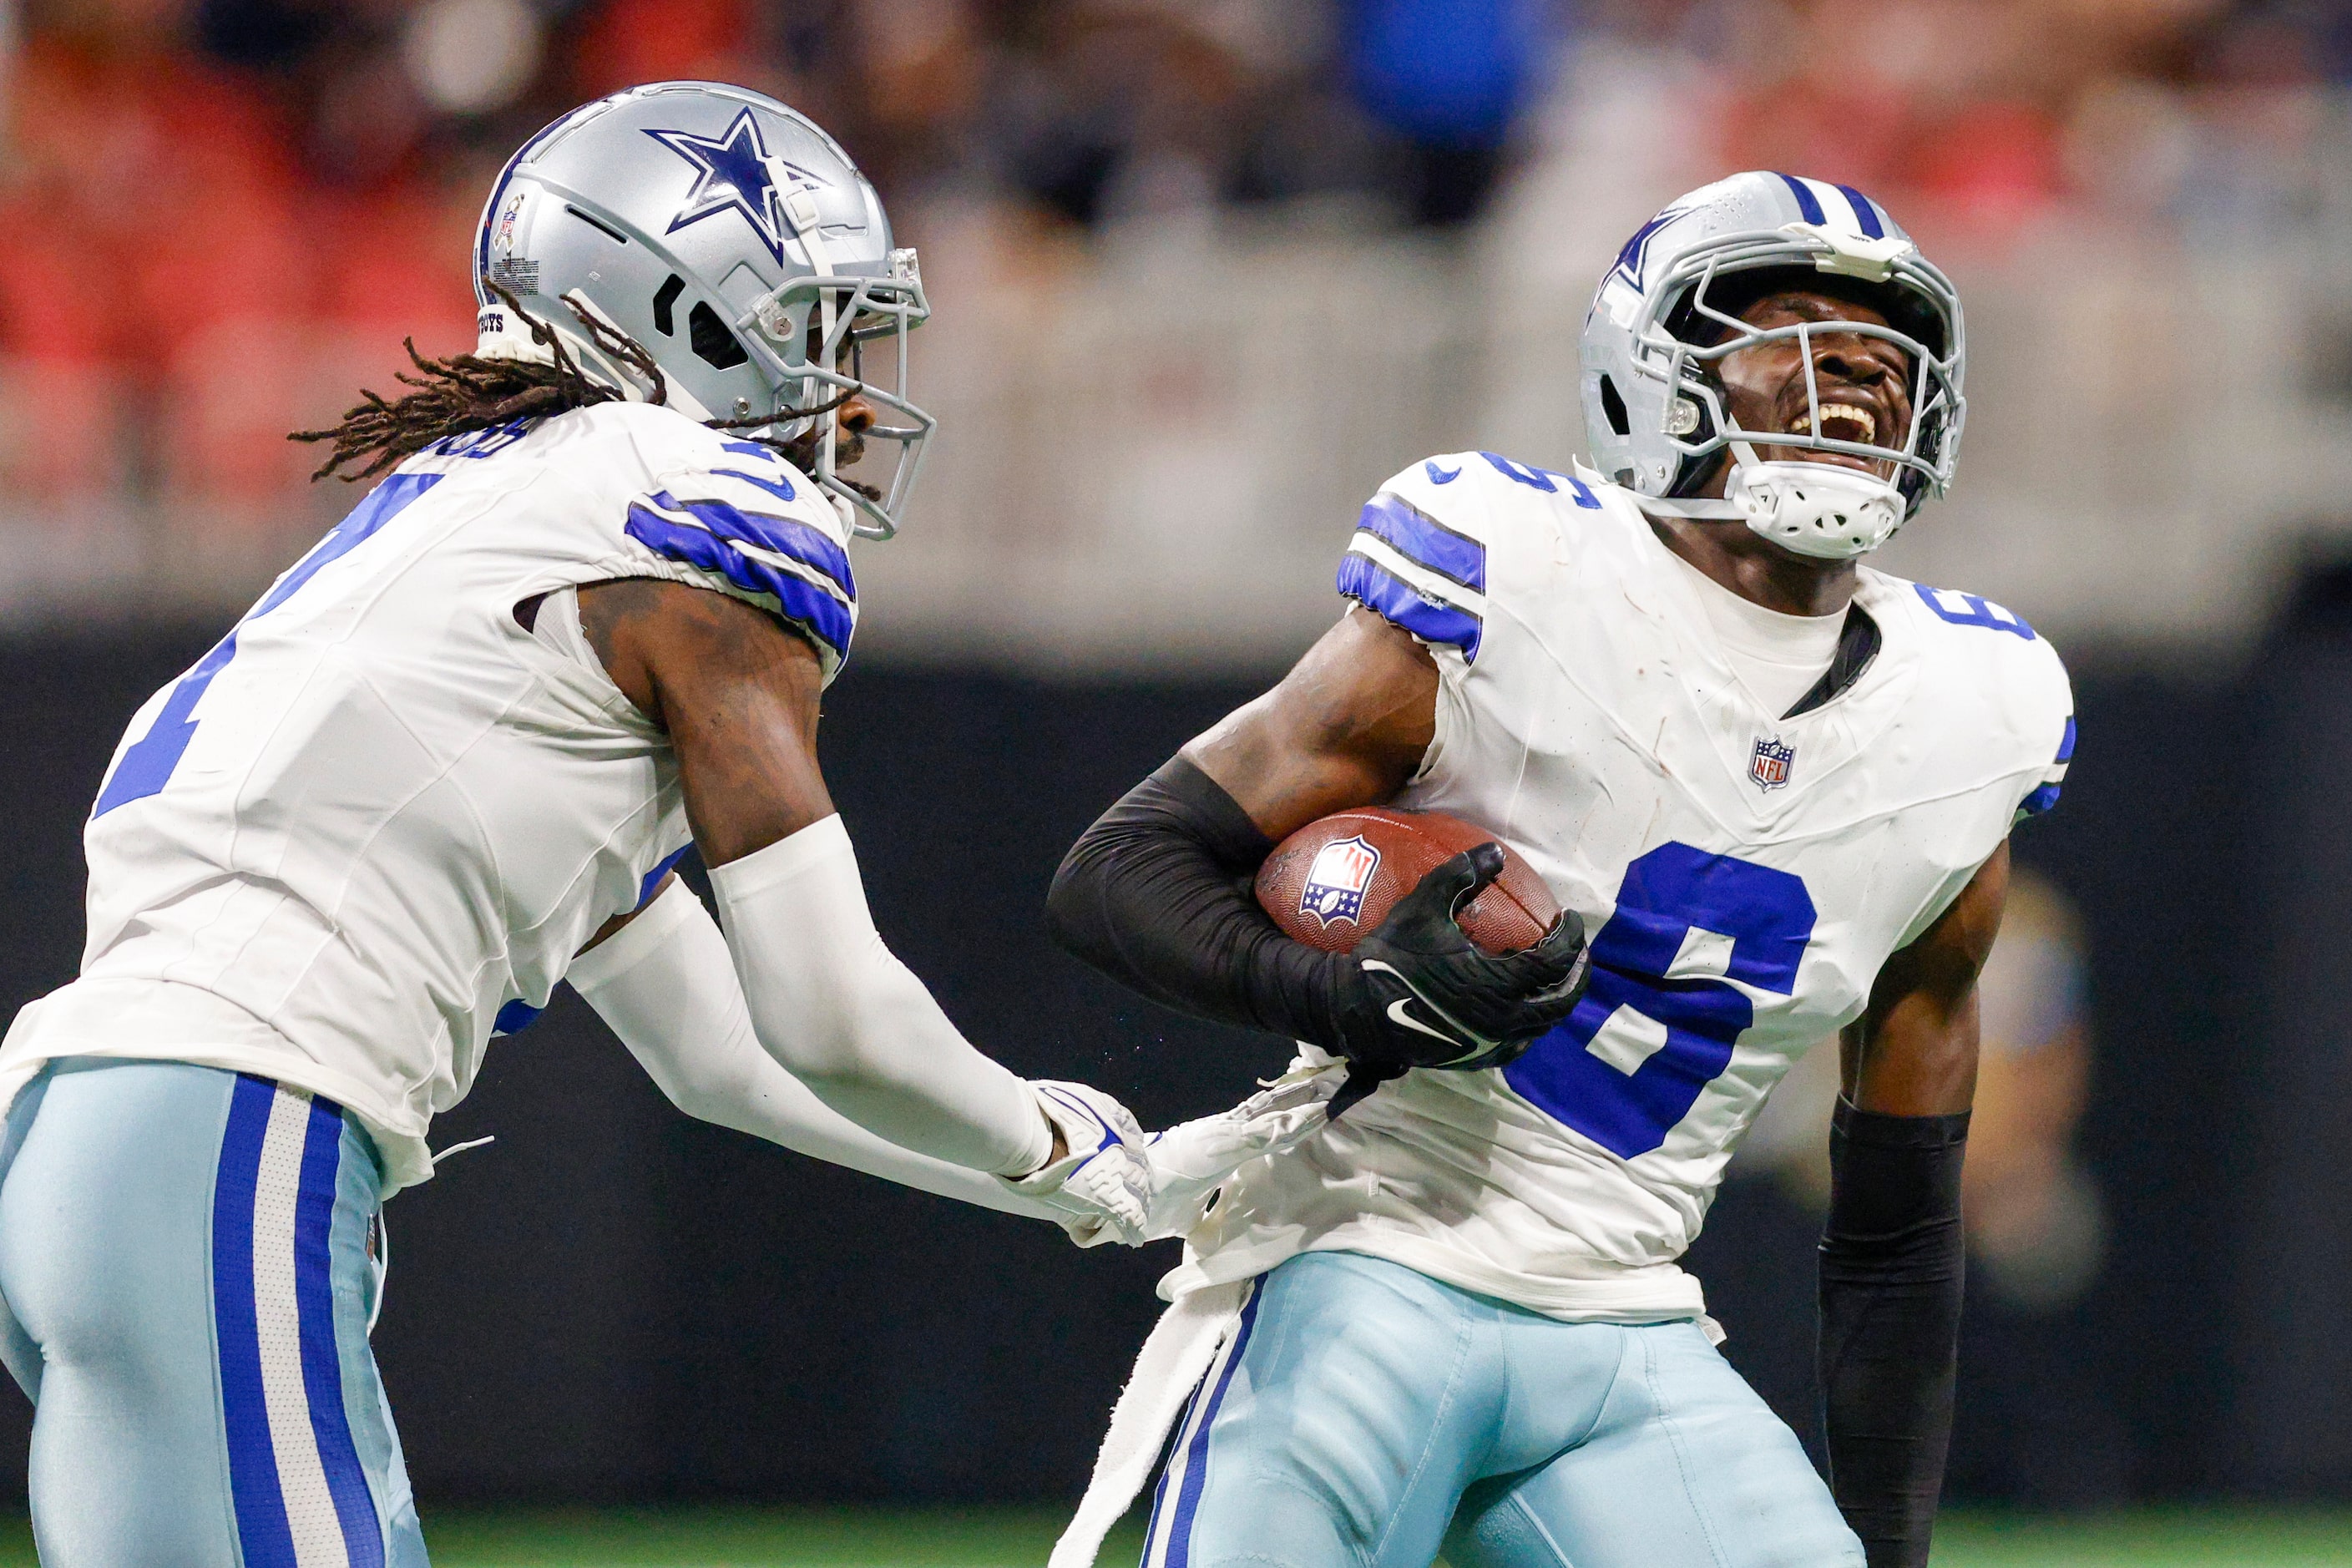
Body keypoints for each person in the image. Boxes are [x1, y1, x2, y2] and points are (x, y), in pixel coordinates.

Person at [0, 82, 1321, 1568]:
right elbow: (828, 1014)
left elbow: (722, 1060)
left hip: (84, 1140)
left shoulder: (492, 530)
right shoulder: (680, 509)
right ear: (688, 310)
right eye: (820, 327)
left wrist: (1102, 1177)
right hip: (230, 1133)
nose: (846, 389)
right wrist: (1047, 1134)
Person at [1045, 171, 2074, 1568]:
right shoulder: (1518, 578)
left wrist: (1887, 1540)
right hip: (1364, 1264)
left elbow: (1897, 1211)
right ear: (1650, 370)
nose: (1848, 370)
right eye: (1780, 323)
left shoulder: (1970, 715)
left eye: (1880, 347)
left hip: (1629, 1328)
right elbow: (1122, 868)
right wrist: (1348, 997)